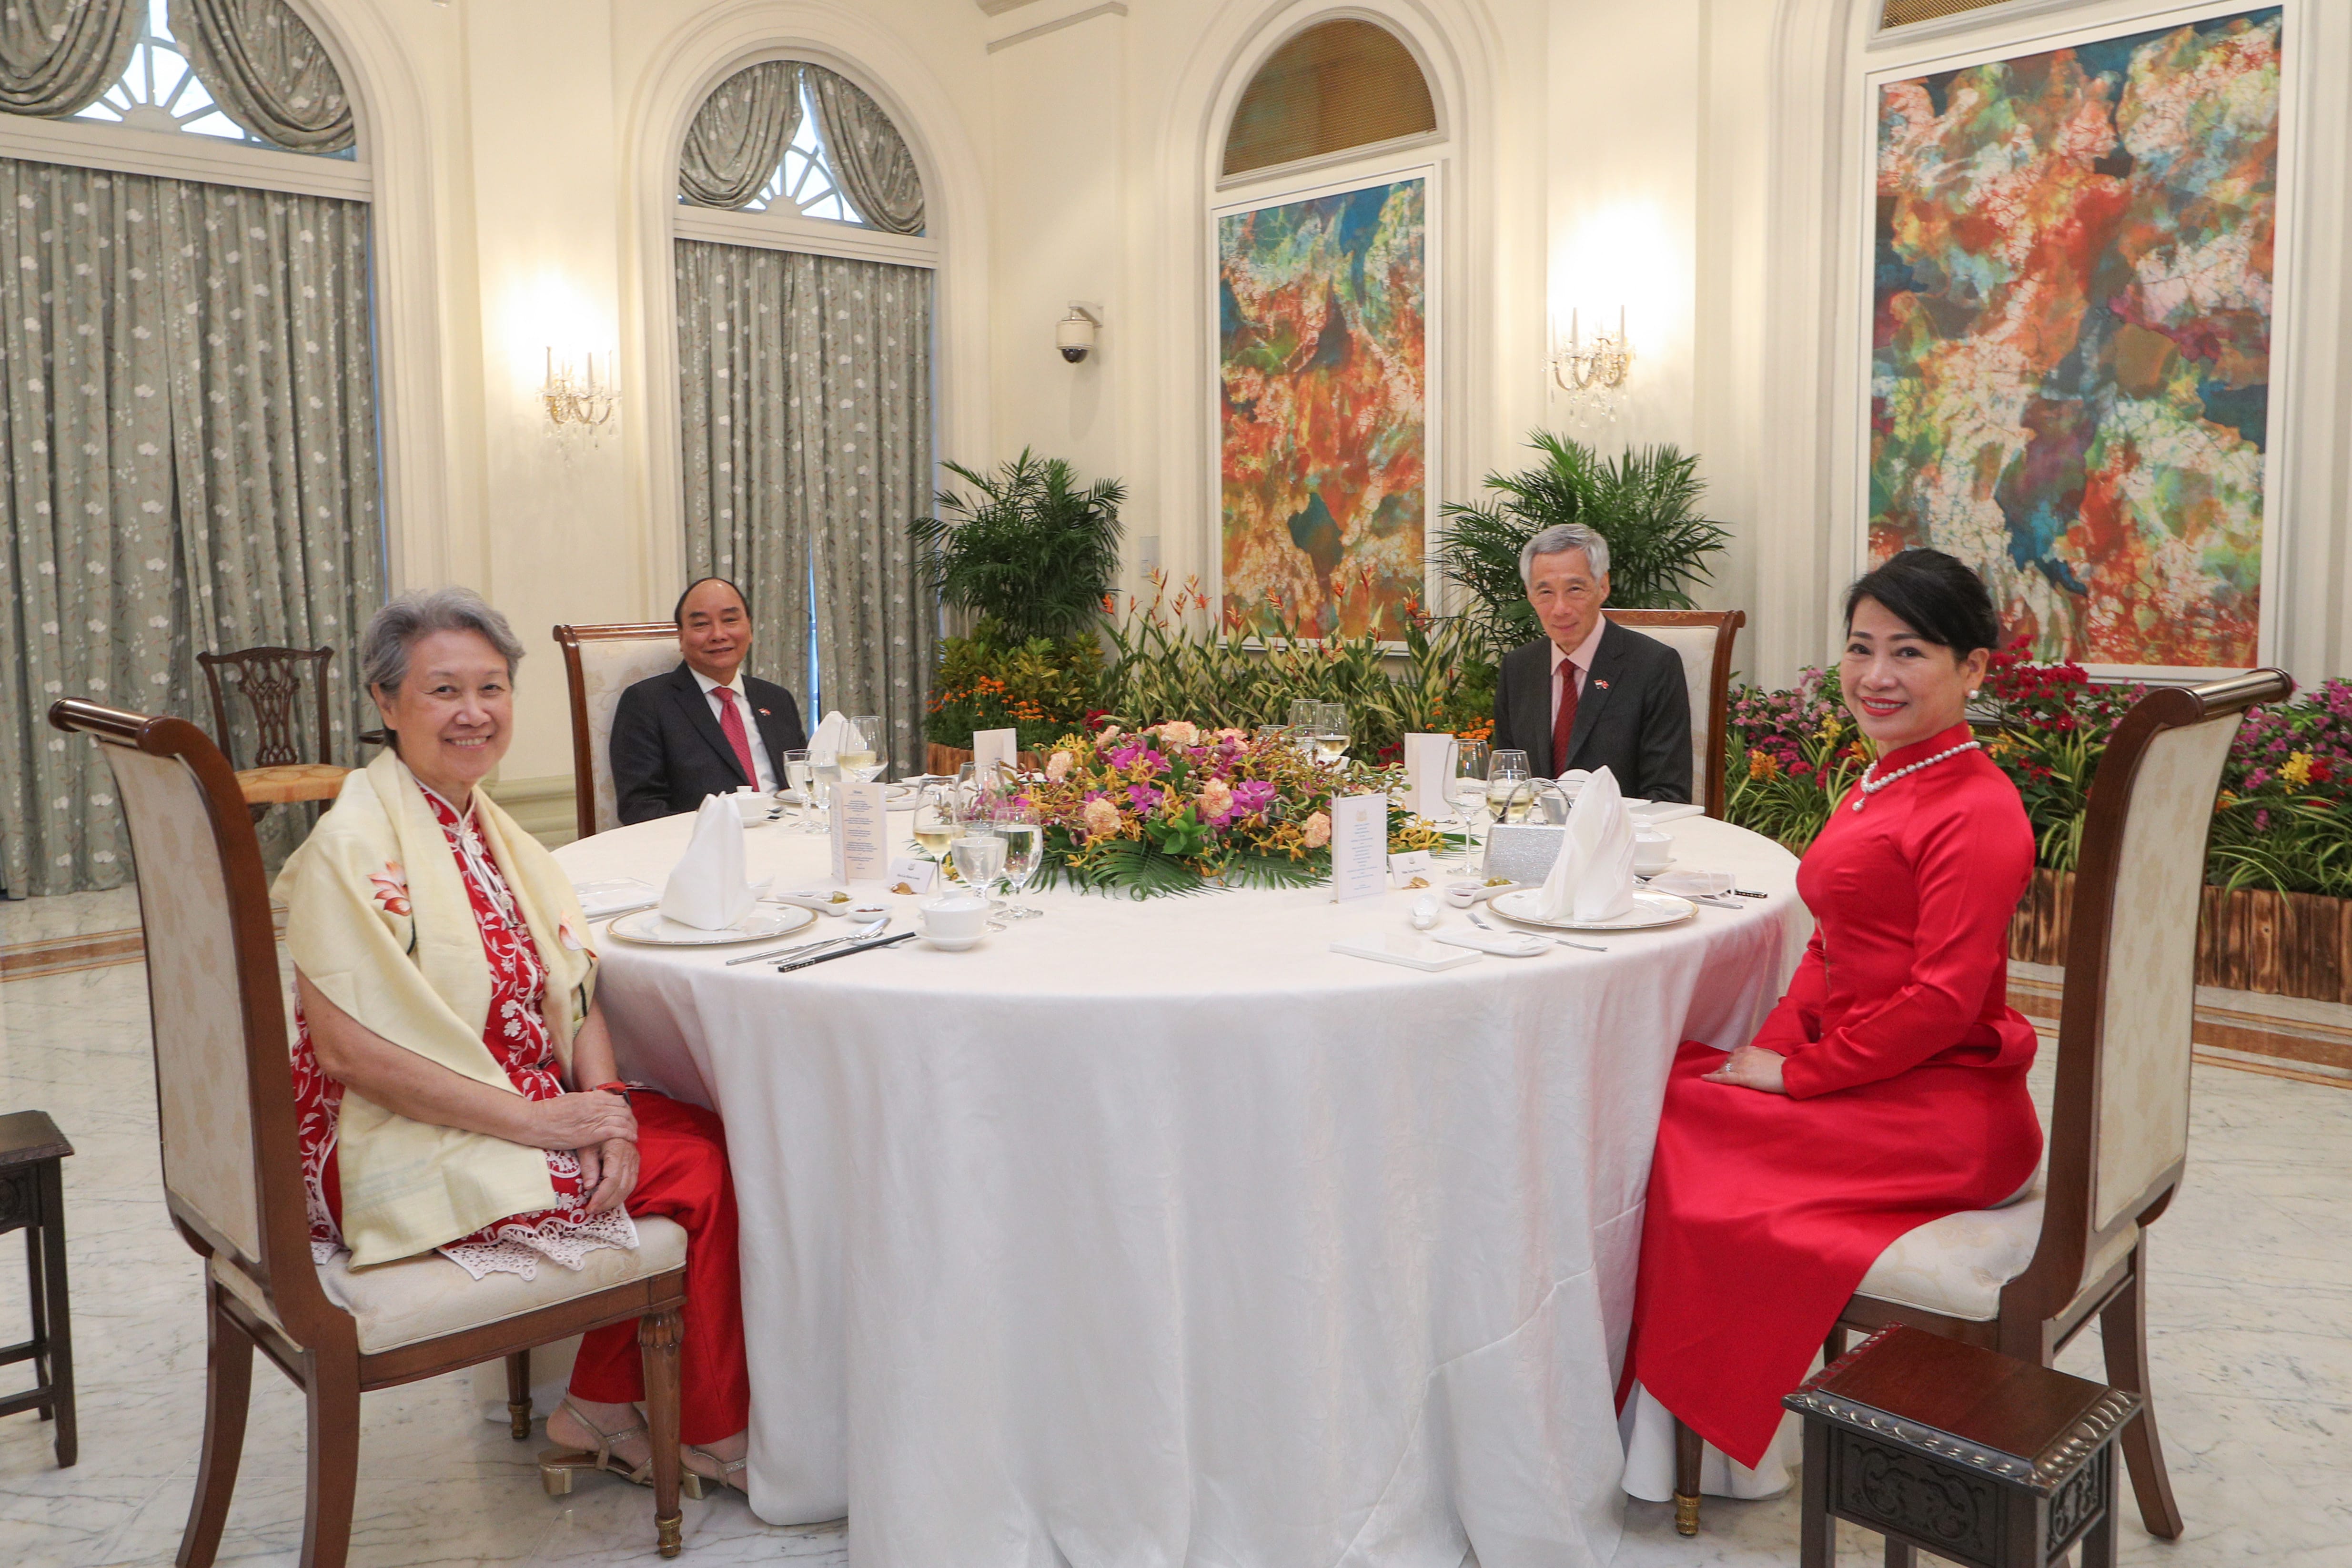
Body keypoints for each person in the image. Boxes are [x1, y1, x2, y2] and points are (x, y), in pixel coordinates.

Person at [278, 587, 752, 1497]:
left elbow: (576, 989)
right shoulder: (355, 843)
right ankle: (694, 1427)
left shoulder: (495, 833)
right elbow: (348, 1055)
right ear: (386, 704)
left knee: (700, 1135)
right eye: (443, 690)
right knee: (697, 1170)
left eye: (491, 688)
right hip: (388, 1134)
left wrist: (606, 1105)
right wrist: (547, 1126)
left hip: (513, 1103)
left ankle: (601, 1409)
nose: (473, 712)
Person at [1619, 548, 2043, 1491]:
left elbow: (1938, 1003)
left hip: (1943, 1111)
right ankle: (1672, 1425)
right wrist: (1768, 1047)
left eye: (1908, 652)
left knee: (1673, 1120)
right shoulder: (1887, 777)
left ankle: (1691, 1428)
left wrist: (1799, 1073)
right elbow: (1828, 945)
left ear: (1972, 668)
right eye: (1859, 648)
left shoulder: (1975, 808)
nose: (1875, 675)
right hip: (1882, 1080)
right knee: (1680, 1087)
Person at [1489, 524, 1693, 802]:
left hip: (1621, 839)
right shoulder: (1518, 668)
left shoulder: (1653, 666)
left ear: (1603, 586)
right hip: (1534, 838)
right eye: (1546, 592)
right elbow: (1507, 781)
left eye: (1575, 589)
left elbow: (1668, 794)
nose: (1560, 609)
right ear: (1529, 594)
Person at [610, 576, 808, 825]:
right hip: (706, 847)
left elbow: (803, 784)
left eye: (730, 620)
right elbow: (640, 808)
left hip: (786, 836)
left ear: (750, 630)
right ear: (681, 637)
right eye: (702, 624)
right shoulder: (646, 703)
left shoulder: (777, 699)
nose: (718, 634)